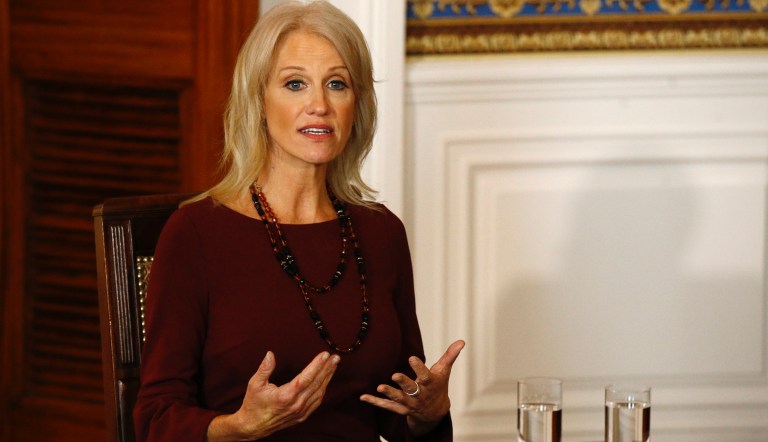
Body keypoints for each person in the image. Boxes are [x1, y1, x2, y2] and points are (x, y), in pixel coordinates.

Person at [133, 1, 465, 440]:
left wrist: (427, 411)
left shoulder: (381, 231)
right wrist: (239, 427)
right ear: (259, 101)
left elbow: (394, 412)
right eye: (295, 84)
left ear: (356, 105)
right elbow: (156, 419)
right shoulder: (195, 234)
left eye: (336, 84)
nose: (319, 105)